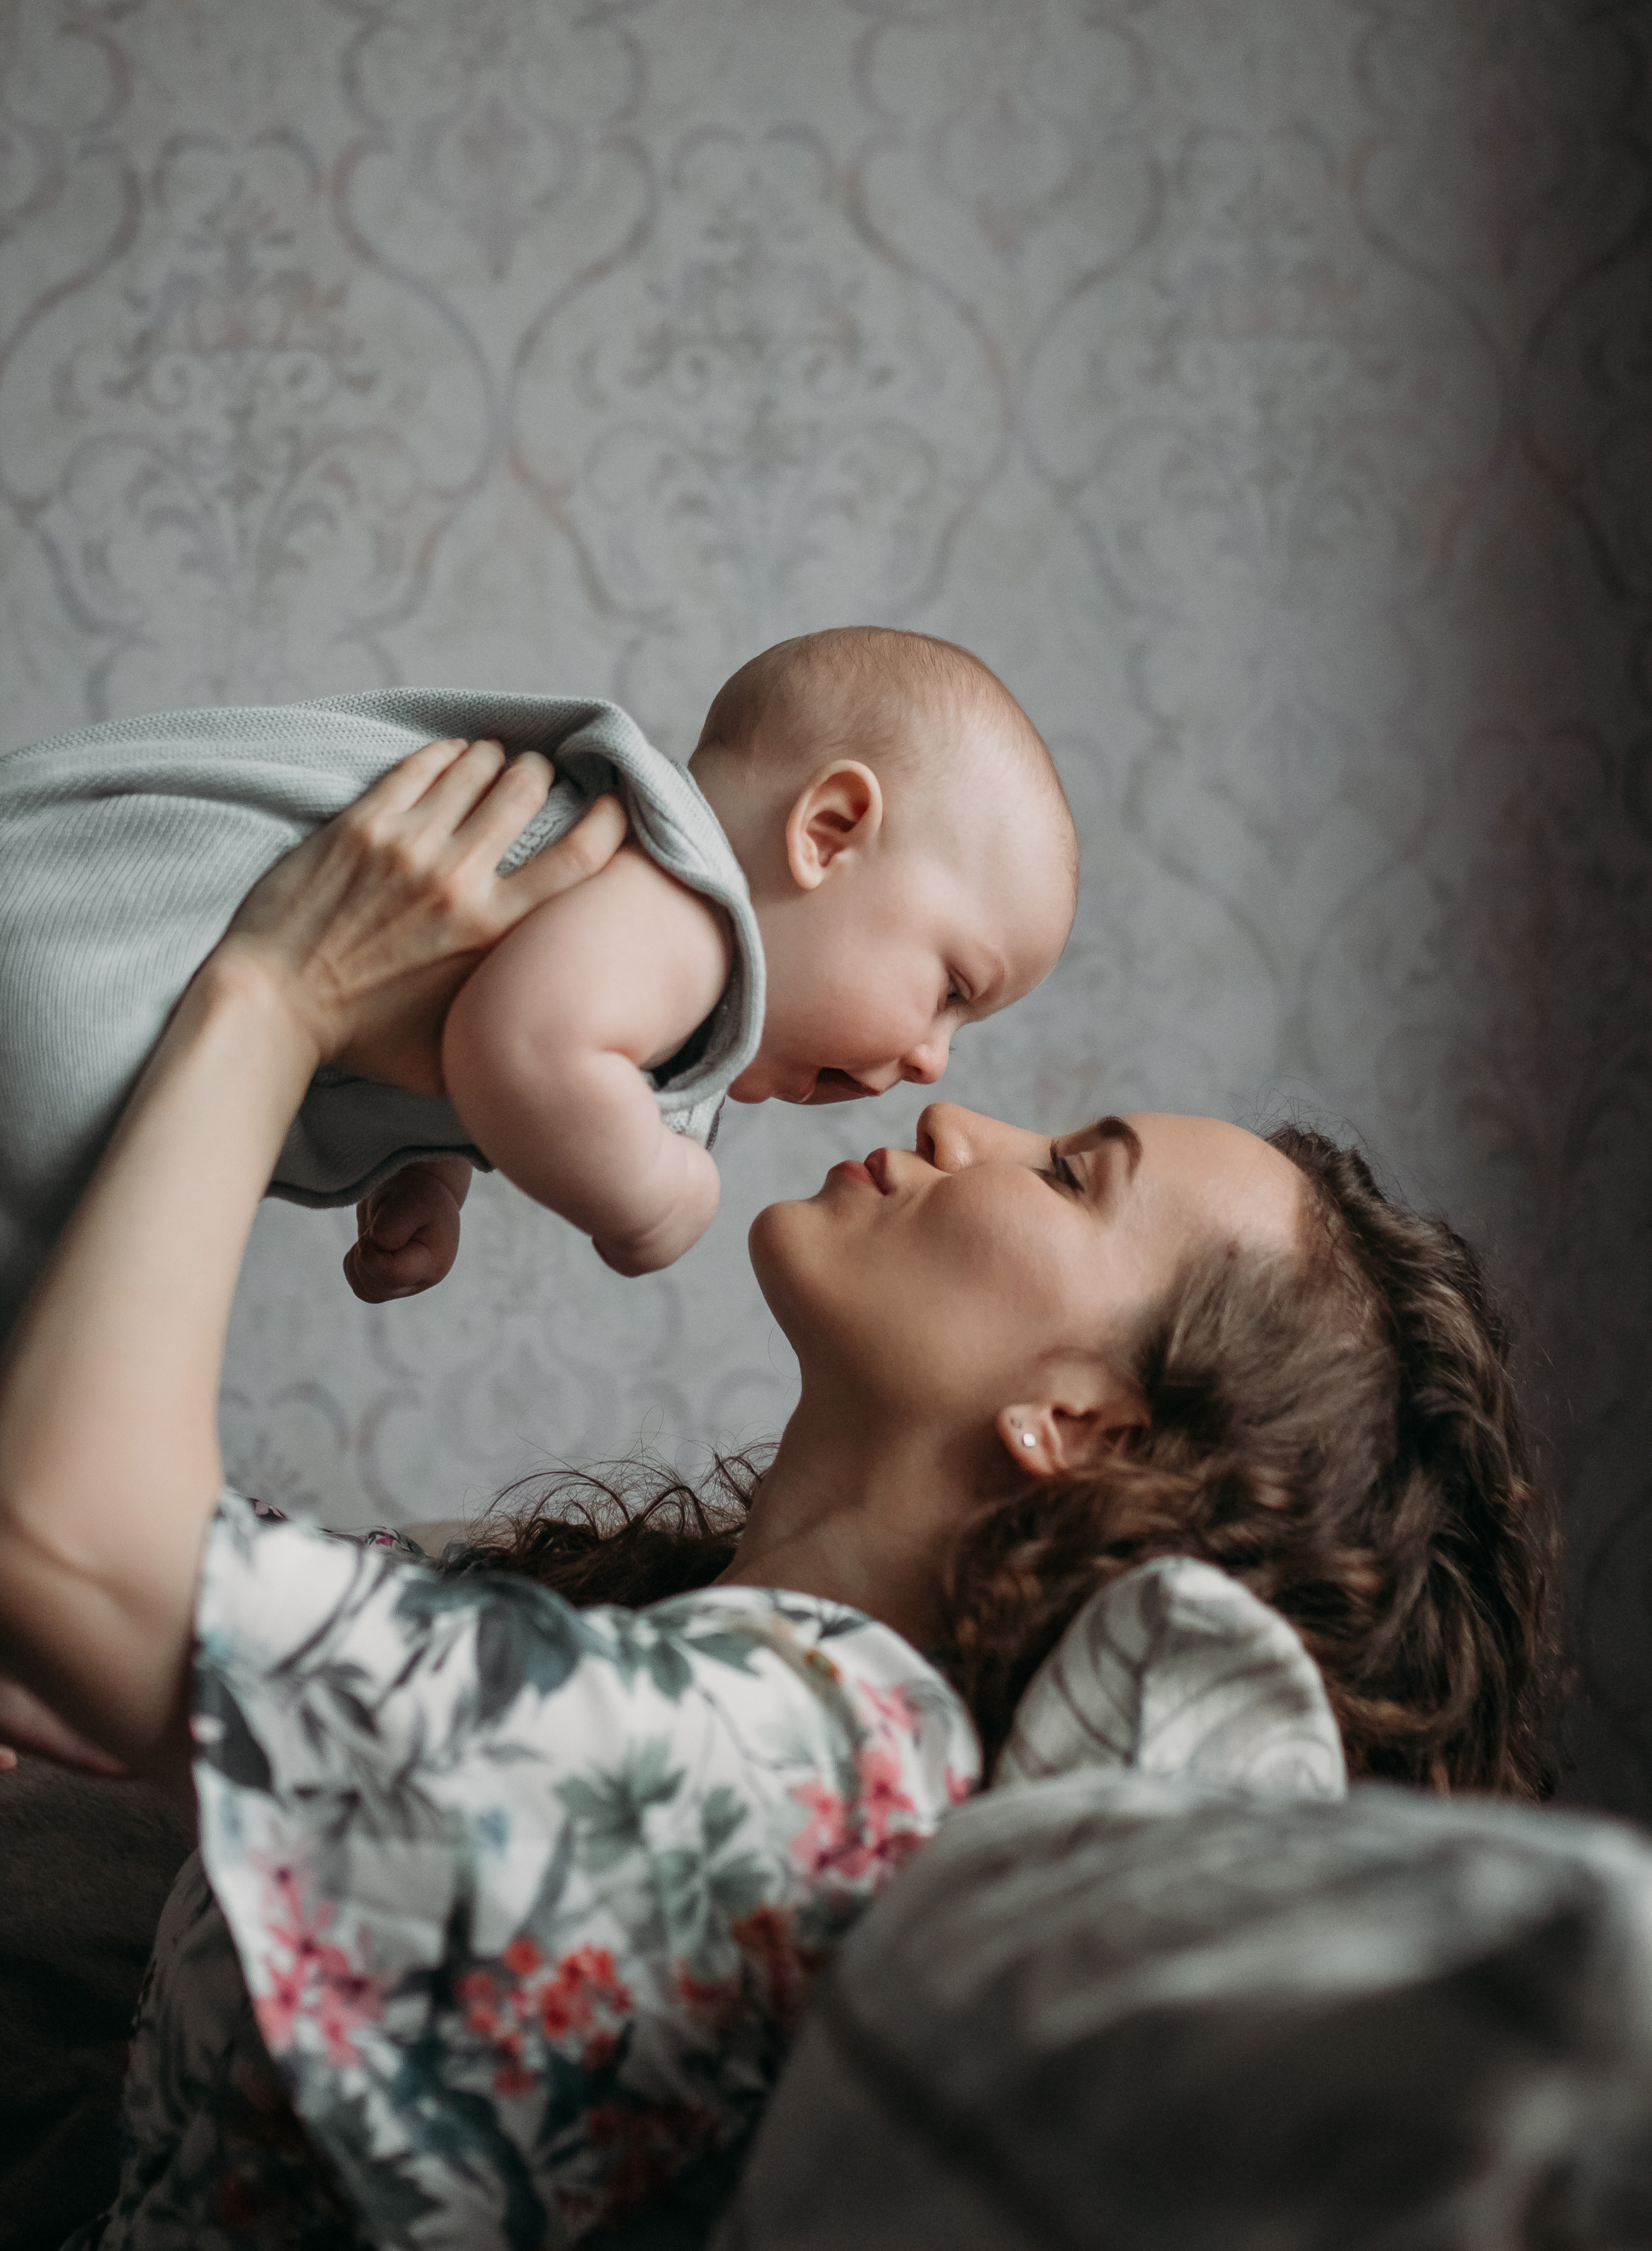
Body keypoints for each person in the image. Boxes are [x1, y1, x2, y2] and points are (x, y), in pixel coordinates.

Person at [0, 746, 1552, 2245]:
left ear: (1081, 1423)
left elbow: (62, 1545)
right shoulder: (721, 1658)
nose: (958, 1116)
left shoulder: (792, 1766)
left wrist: (275, 996)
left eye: (1074, 1173)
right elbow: (147, 1622)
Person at [0, 628, 1076, 1346]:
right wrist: (658, 1204)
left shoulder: (621, 915)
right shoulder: (685, 906)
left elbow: (469, 1027)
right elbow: (520, 1050)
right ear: (828, 833)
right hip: (76, 980)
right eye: (949, 988)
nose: (934, 1059)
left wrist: (430, 1171)